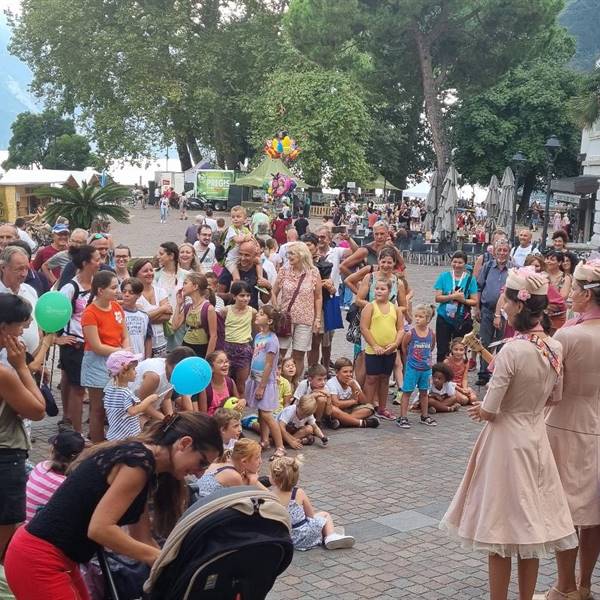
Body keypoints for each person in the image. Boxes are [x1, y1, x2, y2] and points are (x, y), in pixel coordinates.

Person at [440, 266, 576, 600]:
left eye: (506, 299)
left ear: (517, 304)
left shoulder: (512, 351)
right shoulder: (553, 348)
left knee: (499, 528)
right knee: (530, 529)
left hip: (504, 442)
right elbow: (555, 397)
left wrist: (480, 409)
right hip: (535, 438)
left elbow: (492, 407)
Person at [4, 414, 222, 599]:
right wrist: (156, 558)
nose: (201, 472)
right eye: (202, 462)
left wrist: (173, 564)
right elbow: (100, 529)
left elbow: (141, 536)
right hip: (38, 557)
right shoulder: (138, 462)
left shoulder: (147, 465)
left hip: (55, 557)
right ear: (184, 443)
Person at [545, 257, 600, 600]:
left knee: (566, 511)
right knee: (594, 513)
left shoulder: (568, 335)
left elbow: (551, 387)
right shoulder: (572, 329)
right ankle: (584, 584)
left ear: (587, 294)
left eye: (575, 289)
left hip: (567, 424)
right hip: (597, 420)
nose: (569, 293)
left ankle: (563, 586)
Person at [0, 294, 46, 561]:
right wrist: (21, 367)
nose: (24, 330)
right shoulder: (5, 372)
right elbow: (38, 410)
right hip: (6, 456)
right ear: (4, 328)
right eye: (20, 324)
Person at [56, 245, 101, 432]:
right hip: (75, 346)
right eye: (97, 259)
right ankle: (77, 433)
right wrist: (58, 338)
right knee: (78, 390)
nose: (100, 263)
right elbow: (53, 314)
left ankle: (93, 430)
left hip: (94, 345)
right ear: (85, 263)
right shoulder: (70, 288)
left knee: (95, 389)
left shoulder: (97, 285)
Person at [81, 271, 130, 443]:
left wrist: (127, 349)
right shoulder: (90, 313)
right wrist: (120, 351)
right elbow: (96, 346)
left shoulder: (116, 307)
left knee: (115, 404)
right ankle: (97, 444)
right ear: (100, 291)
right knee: (98, 408)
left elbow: (125, 334)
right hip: (97, 361)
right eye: (114, 287)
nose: (118, 291)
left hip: (117, 357)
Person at [270, 456, 355, 551]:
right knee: (324, 515)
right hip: (306, 535)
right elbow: (311, 515)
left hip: (287, 539)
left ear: (273, 478)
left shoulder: (270, 496)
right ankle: (330, 536)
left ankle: (328, 535)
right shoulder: (298, 492)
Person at [272, 242, 322, 381]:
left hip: (305, 319)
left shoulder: (313, 272)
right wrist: (276, 309)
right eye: (288, 254)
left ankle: (294, 384)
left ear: (302, 254)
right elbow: (274, 292)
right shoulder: (284, 270)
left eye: (292, 253)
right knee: (280, 352)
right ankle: (278, 382)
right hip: (285, 319)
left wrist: (317, 319)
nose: (289, 257)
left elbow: (318, 297)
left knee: (299, 354)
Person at [360, 278, 404, 421]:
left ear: (390, 291)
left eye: (382, 289)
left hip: (389, 351)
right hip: (374, 351)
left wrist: (395, 344)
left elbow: (400, 329)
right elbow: (364, 328)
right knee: (371, 379)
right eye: (377, 288)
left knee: (385, 379)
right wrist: (374, 345)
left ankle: (382, 408)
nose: (379, 291)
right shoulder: (370, 307)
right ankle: (368, 407)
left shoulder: (395, 308)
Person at [245, 305, 285, 459]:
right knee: (261, 412)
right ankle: (264, 440)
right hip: (256, 378)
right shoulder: (259, 336)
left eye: (261, 314)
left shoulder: (272, 340)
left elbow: (269, 364)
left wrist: (261, 386)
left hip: (266, 383)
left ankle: (280, 446)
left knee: (267, 414)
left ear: (269, 321)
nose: (257, 315)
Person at [25, 429, 86, 524]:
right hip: (37, 529)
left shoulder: (41, 466)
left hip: (22, 523)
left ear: (52, 449)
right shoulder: (68, 484)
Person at [474, 238, 511, 386]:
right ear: (494, 252)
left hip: (506, 313)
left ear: (509, 253)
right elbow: (478, 287)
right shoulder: (488, 267)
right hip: (487, 310)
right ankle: (484, 373)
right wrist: (476, 307)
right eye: (499, 250)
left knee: (503, 343)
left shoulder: (514, 269)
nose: (502, 253)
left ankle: (500, 372)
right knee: (485, 342)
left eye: (505, 250)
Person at [396, 304, 437, 429]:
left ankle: (424, 415)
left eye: (421, 317)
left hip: (426, 369)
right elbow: (404, 347)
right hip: (413, 368)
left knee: (424, 392)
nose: (418, 319)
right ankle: (403, 416)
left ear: (428, 319)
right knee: (407, 391)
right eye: (416, 316)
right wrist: (410, 359)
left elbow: (431, 347)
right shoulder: (410, 333)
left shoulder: (431, 333)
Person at [103, 350, 159, 440]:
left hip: (114, 435)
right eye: (133, 369)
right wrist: (149, 399)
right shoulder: (126, 393)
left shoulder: (109, 390)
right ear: (123, 373)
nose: (136, 372)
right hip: (127, 436)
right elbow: (133, 411)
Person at [433, 251, 478, 362]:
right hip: (444, 317)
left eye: (460, 262)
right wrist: (452, 296)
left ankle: (457, 374)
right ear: (451, 262)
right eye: (455, 262)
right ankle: (441, 373)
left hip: (461, 318)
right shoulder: (444, 276)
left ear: (465, 264)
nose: (457, 265)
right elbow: (437, 298)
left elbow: (474, 301)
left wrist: (462, 300)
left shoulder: (470, 279)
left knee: (458, 348)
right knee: (442, 349)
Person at [129, 346, 196, 419]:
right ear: (174, 365)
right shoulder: (154, 376)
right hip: (131, 408)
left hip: (148, 408)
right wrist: (163, 419)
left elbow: (166, 399)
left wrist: (170, 419)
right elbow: (142, 403)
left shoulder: (173, 375)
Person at [0, 246, 40, 356]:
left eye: (26, 268)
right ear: (3, 267)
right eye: (19, 269)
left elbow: (38, 326)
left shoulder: (30, 290)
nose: (24, 274)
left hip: (30, 361)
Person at [194, 438, 265, 498]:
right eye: (257, 458)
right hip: (202, 506)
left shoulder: (226, 461)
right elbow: (247, 502)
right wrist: (253, 481)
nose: (261, 461)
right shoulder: (234, 476)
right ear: (244, 461)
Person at [171, 272, 219, 358]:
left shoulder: (208, 308)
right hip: (186, 346)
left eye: (185, 283)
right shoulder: (188, 307)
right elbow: (174, 326)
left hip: (201, 348)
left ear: (195, 286)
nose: (183, 287)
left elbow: (213, 336)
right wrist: (178, 304)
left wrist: (207, 359)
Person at [221, 281, 256, 395]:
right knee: (225, 380)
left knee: (242, 382)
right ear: (234, 296)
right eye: (242, 295)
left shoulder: (252, 312)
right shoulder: (226, 311)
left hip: (244, 349)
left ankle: (241, 405)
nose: (245, 298)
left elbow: (255, 330)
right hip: (227, 348)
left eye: (248, 295)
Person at [154, 241, 189, 350]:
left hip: (180, 323)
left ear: (171, 256)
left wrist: (178, 321)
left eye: (161, 254)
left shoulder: (186, 275)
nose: (158, 257)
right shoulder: (155, 274)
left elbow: (189, 300)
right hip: (160, 322)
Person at [131, 259, 170, 357]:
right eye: (145, 271)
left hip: (161, 342)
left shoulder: (160, 291)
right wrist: (162, 309)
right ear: (136, 274)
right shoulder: (134, 294)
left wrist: (148, 317)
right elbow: (140, 319)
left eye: (151, 270)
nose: (149, 273)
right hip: (141, 344)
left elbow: (168, 316)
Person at [325, 357, 379, 428]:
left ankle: (342, 422)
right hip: (337, 411)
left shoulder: (353, 382)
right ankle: (358, 422)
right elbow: (336, 404)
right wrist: (353, 401)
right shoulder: (331, 383)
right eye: (345, 372)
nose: (349, 374)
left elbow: (364, 402)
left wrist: (354, 386)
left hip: (350, 409)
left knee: (369, 408)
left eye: (350, 372)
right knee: (333, 409)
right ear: (337, 372)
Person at [218, 240, 272, 310]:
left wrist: (268, 287)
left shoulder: (260, 272)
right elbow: (218, 295)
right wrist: (232, 295)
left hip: (251, 314)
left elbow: (265, 300)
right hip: (231, 315)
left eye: (247, 255)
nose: (243, 258)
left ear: (254, 256)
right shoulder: (229, 270)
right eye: (240, 254)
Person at [198, 350, 241, 416]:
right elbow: (203, 415)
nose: (225, 364)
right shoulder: (205, 387)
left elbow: (237, 403)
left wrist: (242, 402)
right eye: (220, 362)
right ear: (211, 368)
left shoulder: (230, 382)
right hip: (211, 422)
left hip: (228, 421)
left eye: (226, 361)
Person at [120, 277, 153, 359]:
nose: (126, 295)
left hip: (139, 359)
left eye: (131, 292)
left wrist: (147, 359)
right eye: (124, 292)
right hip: (122, 360)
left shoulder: (144, 316)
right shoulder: (118, 313)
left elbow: (148, 339)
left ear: (138, 295)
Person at [444, 338, 477, 405]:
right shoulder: (447, 362)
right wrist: (461, 390)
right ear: (451, 350)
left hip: (461, 386)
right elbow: (447, 381)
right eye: (456, 349)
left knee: (473, 399)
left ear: (465, 351)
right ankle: (451, 399)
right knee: (464, 400)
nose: (458, 352)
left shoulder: (465, 362)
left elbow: (464, 378)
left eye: (461, 350)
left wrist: (464, 388)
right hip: (451, 387)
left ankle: (459, 396)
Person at [223, 206, 252, 271]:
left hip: (241, 258)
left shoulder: (245, 229)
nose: (235, 219)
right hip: (231, 259)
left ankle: (260, 277)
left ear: (245, 219)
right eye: (233, 217)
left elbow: (251, 238)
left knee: (257, 262)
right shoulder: (231, 229)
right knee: (236, 277)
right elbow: (237, 240)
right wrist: (246, 238)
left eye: (238, 217)